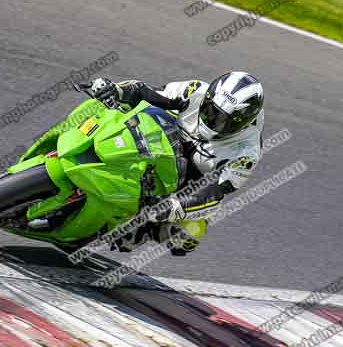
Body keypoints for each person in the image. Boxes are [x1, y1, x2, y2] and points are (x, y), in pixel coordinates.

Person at [88, 71, 264, 256]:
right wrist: (116, 89)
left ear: (243, 123)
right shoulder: (195, 91)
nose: (212, 120)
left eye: (224, 120)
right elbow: (146, 92)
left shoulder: (246, 153)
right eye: (211, 110)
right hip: (159, 139)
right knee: (114, 110)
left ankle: (145, 229)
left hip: (186, 182)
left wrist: (172, 207)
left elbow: (214, 194)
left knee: (189, 234)